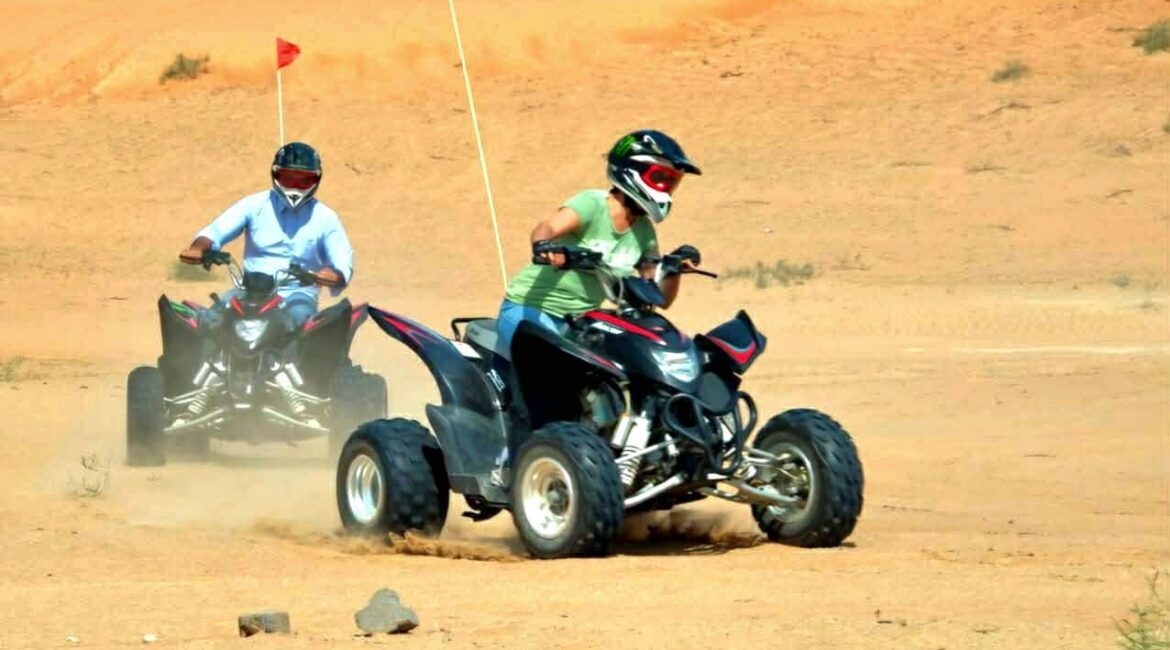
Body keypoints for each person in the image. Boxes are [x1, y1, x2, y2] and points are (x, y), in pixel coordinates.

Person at [496, 129, 703, 355]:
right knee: (553, 365)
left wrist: (673, 268)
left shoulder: (644, 232)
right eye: (661, 178)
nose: (668, 189)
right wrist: (544, 246)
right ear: (633, 171)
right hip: (529, 310)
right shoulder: (593, 204)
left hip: (579, 324)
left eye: (672, 182)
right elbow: (548, 227)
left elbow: (657, 296)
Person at [178, 142, 353, 326]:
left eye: (303, 180)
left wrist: (335, 275)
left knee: (301, 321)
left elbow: (342, 259)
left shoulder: (325, 217)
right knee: (213, 320)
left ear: (315, 180)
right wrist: (199, 247)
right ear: (276, 175)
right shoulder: (254, 205)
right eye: (288, 178)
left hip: (297, 294)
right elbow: (217, 230)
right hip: (250, 291)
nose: (295, 186)